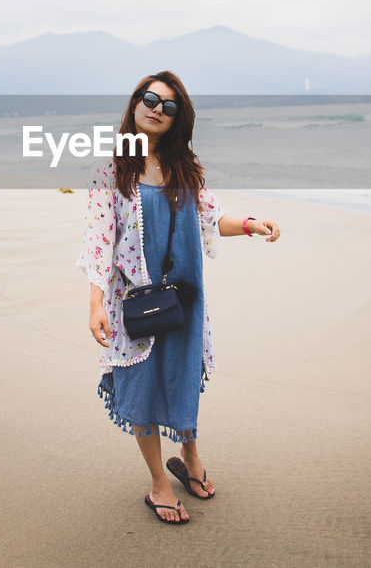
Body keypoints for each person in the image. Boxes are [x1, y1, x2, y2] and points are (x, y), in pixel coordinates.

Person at [78, 70, 281, 526]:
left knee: (183, 375)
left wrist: (251, 225)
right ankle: (158, 483)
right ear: (135, 104)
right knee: (142, 385)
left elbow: (213, 218)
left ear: (176, 119)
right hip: (133, 302)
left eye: (168, 106)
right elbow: (97, 238)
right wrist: (94, 302)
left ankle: (189, 455)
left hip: (184, 298)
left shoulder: (184, 168)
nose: (156, 108)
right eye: (150, 98)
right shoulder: (111, 169)